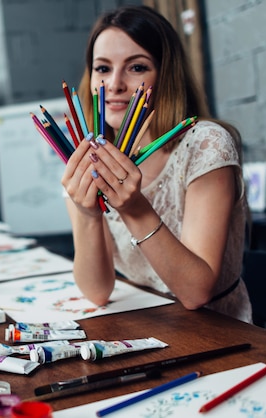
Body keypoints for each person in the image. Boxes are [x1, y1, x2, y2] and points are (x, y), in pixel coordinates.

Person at [61, 5, 252, 322]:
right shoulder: (87, 155)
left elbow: (195, 293)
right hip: (145, 327)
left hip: (218, 331)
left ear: (166, 74)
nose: (115, 84)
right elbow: (97, 291)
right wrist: (87, 214)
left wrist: (134, 207)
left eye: (136, 67)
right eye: (103, 69)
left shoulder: (205, 144)